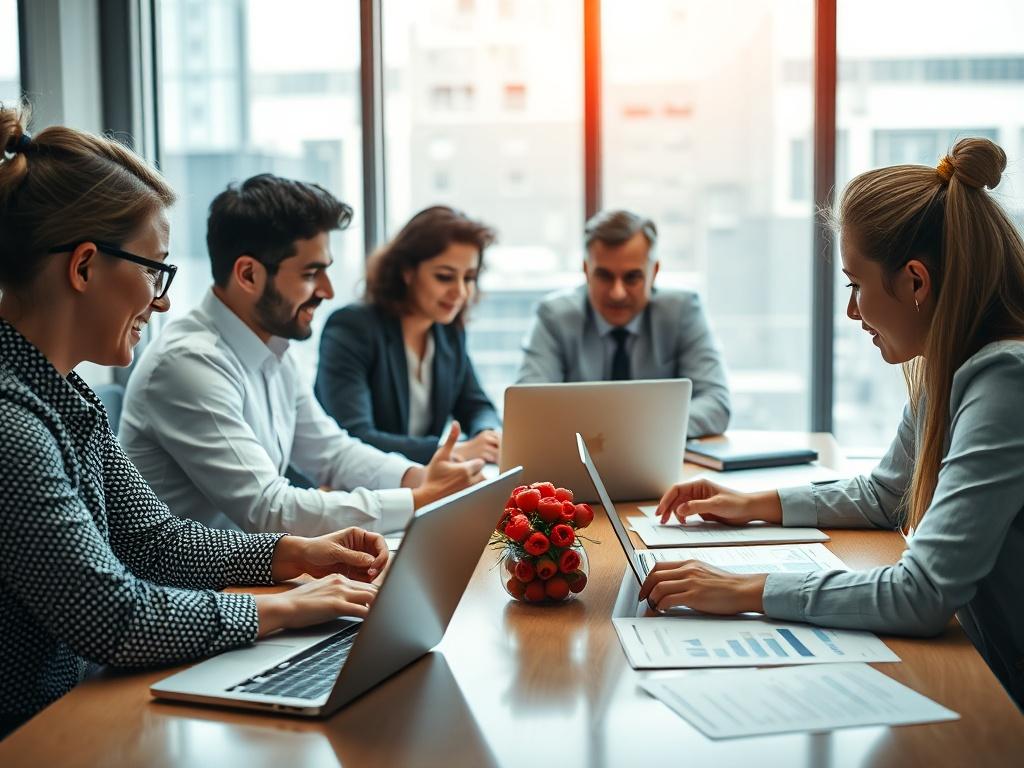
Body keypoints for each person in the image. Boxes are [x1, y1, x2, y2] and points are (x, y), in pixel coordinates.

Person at [0, 105, 391, 737]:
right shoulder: (11, 424)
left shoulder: (68, 397)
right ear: (83, 268)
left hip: (73, 707)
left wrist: (296, 555)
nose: (162, 301)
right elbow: (111, 617)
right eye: (155, 269)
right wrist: (282, 609)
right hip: (28, 730)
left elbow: (157, 543)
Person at [639, 138, 1024, 707]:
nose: (851, 311)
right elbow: (886, 493)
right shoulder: (954, 359)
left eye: (855, 284)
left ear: (915, 282)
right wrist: (750, 503)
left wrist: (744, 588)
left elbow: (918, 596)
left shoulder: (1004, 380)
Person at [120, 176, 483, 539]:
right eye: (312, 274)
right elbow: (268, 508)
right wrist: (417, 501)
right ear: (248, 274)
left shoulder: (272, 350)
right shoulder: (187, 364)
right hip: (202, 590)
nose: (327, 291)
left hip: (254, 576)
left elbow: (332, 453)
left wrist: (419, 478)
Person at [515, 209, 730, 437]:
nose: (617, 293)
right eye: (605, 276)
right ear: (587, 270)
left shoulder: (682, 311)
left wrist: (637, 434)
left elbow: (716, 403)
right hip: (576, 464)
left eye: (632, 278)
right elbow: (528, 409)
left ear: (654, 272)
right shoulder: (554, 317)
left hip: (659, 461)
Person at [315, 206, 501, 465]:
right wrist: (455, 450)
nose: (460, 292)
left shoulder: (447, 331)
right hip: (348, 489)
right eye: (445, 277)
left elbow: (476, 405)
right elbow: (354, 436)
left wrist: (487, 436)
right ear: (407, 271)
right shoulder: (352, 327)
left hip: (419, 487)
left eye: (469, 278)